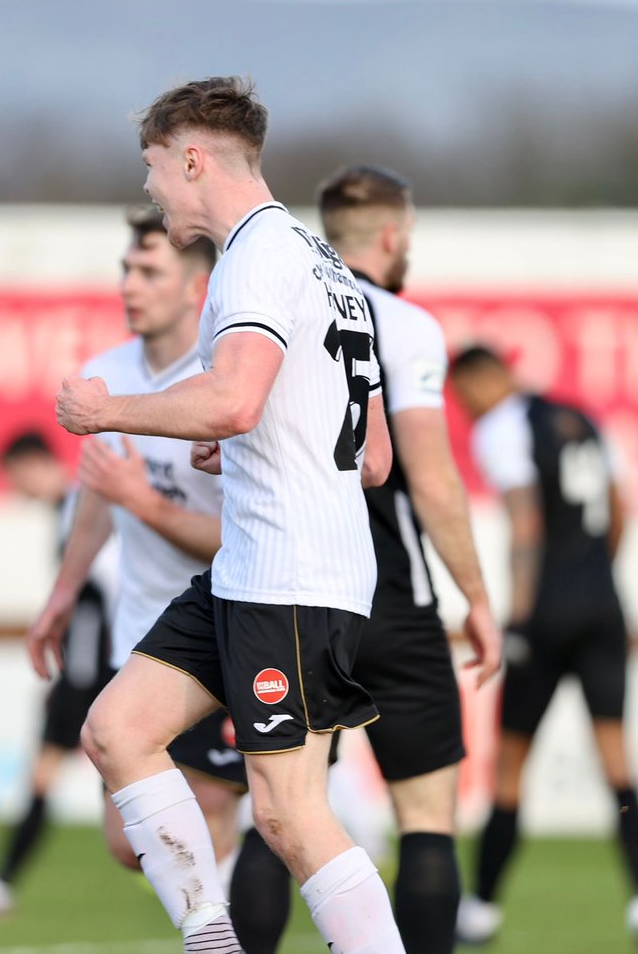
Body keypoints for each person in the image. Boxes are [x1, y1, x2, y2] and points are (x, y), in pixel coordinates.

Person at [30, 76, 405, 953]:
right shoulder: (325, 265)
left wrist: (105, 410)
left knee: (290, 817)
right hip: (255, 571)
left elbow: (235, 400)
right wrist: (246, 437)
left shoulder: (255, 256)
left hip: (290, 578)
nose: (152, 188)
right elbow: (374, 454)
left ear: (191, 157)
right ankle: (211, 939)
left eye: (153, 167)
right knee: (117, 731)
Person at [228, 165, 503, 954]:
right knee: (425, 820)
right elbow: (433, 476)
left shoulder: (285, 300)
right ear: (391, 236)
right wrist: (477, 597)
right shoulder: (403, 323)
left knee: (280, 811)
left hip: (300, 591)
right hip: (395, 602)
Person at [31, 203, 253, 886]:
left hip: (225, 634)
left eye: (148, 271)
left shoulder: (228, 383)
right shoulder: (107, 373)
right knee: (131, 844)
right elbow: (98, 495)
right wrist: (64, 592)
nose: (128, 284)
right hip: (141, 635)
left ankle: (242, 896)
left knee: (209, 816)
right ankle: (273, 833)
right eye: (126, 269)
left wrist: (144, 502)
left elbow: (239, 539)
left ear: (195, 287)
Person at [448, 344, 638, 951]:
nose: (464, 409)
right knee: (617, 760)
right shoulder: (583, 417)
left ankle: (483, 911)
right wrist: (595, 575)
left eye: (463, 394)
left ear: (484, 379)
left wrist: (518, 617)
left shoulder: (504, 426)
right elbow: (622, 506)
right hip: (603, 606)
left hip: (545, 616)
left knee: (511, 768)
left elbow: (526, 523)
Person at [0, 429, 119, 918]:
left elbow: (99, 603)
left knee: (105, 792)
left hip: (96, 675)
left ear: (33, 464)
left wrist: (77, 683)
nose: (15, 489)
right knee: (104, 789)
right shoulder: (73, 508)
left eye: (14, 477)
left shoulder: (81, 508)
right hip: (97, 672)